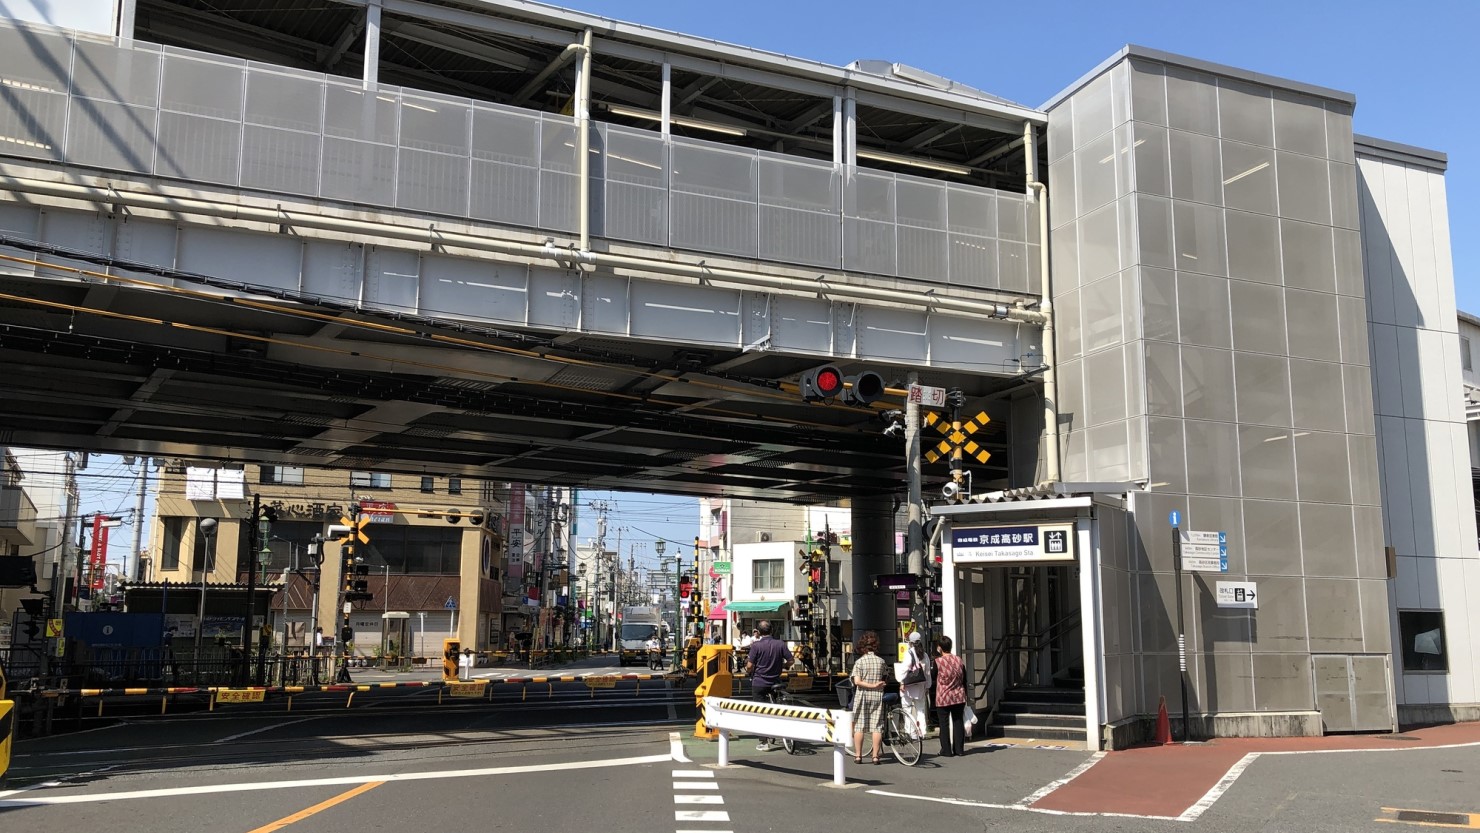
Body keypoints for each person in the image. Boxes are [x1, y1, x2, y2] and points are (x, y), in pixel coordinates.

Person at [743, 620, 793, 751]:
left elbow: (749, 665)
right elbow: (791, 660)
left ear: (758, 633)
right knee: (779, 705)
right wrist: (783, 666)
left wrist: (748, 671)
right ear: (772, 630)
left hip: (759, 682)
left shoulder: (756, 646)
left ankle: (764, 742)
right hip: (776, 681)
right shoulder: (780, 644)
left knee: (760, 711)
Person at [850, 630, 888, 764]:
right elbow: (885, 677)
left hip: (862, 695)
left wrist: (870, 685)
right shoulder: (881, 661)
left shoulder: (860, 662)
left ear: (862, 646)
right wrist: (877, 685)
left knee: (859, 726)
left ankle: (858, 756)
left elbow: (857, 681)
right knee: (877, 726)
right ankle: (875, 756)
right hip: (877, 695)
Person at [933, 635, 967, 757]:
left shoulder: (938, 662)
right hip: (959, 695)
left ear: (940, 648)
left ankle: (946, 750)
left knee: (944, 723)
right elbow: (964, 678)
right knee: (958, 721)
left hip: (943, 696)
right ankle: (959, 749)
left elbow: (933, 677)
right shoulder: (959, 660)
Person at [898, 630, 932, 740]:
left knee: (907, 709)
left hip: (909, 686)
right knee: (920, 710)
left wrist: (901, 681)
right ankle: (922, 732)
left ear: (910, 643)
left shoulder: (909, 653)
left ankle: (911, 732)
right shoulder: (925, 655)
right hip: (921, 686)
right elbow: (927, 673)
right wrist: (927, 686)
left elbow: (904, 669)